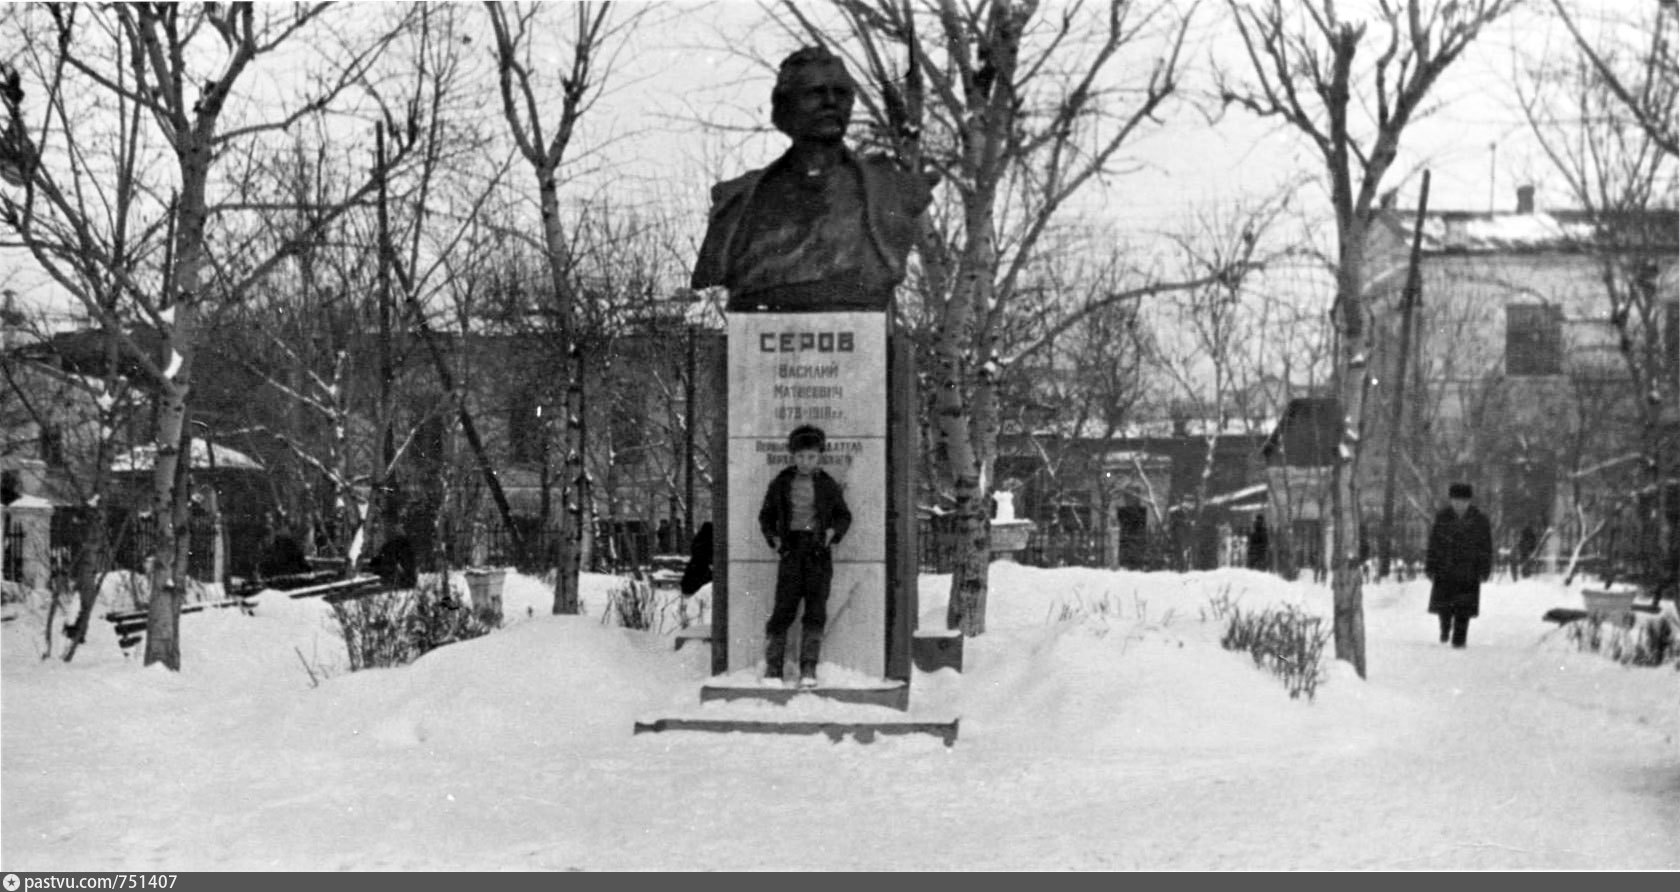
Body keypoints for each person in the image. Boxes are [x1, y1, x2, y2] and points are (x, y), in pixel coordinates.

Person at [692, 46, 934, 313]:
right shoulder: (739, 200)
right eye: (814, 93)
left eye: (841, 93)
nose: (830, 102)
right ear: (785, 107)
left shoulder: (894, 191)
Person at [758, 424, 852, 687]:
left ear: (819, 456)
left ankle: (808, 668)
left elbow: (843, 515)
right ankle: (773, 668)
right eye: (800, 456)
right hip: (791, 550)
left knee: (815, 609)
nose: (805, 462)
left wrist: (833, 533)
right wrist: (774, 538)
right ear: (793, 456)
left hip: (818, 552)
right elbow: (766, 515)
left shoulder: (826, 484)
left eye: (811, 456)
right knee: (783, 608)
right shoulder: (781, 482)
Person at [1426, 482, 1494, 649]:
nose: (1459, 504)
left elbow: (1486, 546)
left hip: (1469, 570)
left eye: (1463, 501)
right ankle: (1445, 627)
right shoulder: (1443, 518)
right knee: (1445, 605)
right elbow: (1434, 544)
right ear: (1451, 500)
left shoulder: (1480, 520)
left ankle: (1459, 639)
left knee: (1464, 607)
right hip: (1445, 568)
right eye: (1456, 501)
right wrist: (1430, 566)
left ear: (1469, 501)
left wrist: (1485, 569)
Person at [679, 521, 714, 597]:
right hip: (703, 566)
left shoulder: (699, 537)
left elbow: (694, 549)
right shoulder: (709, 539)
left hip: (695, 565)